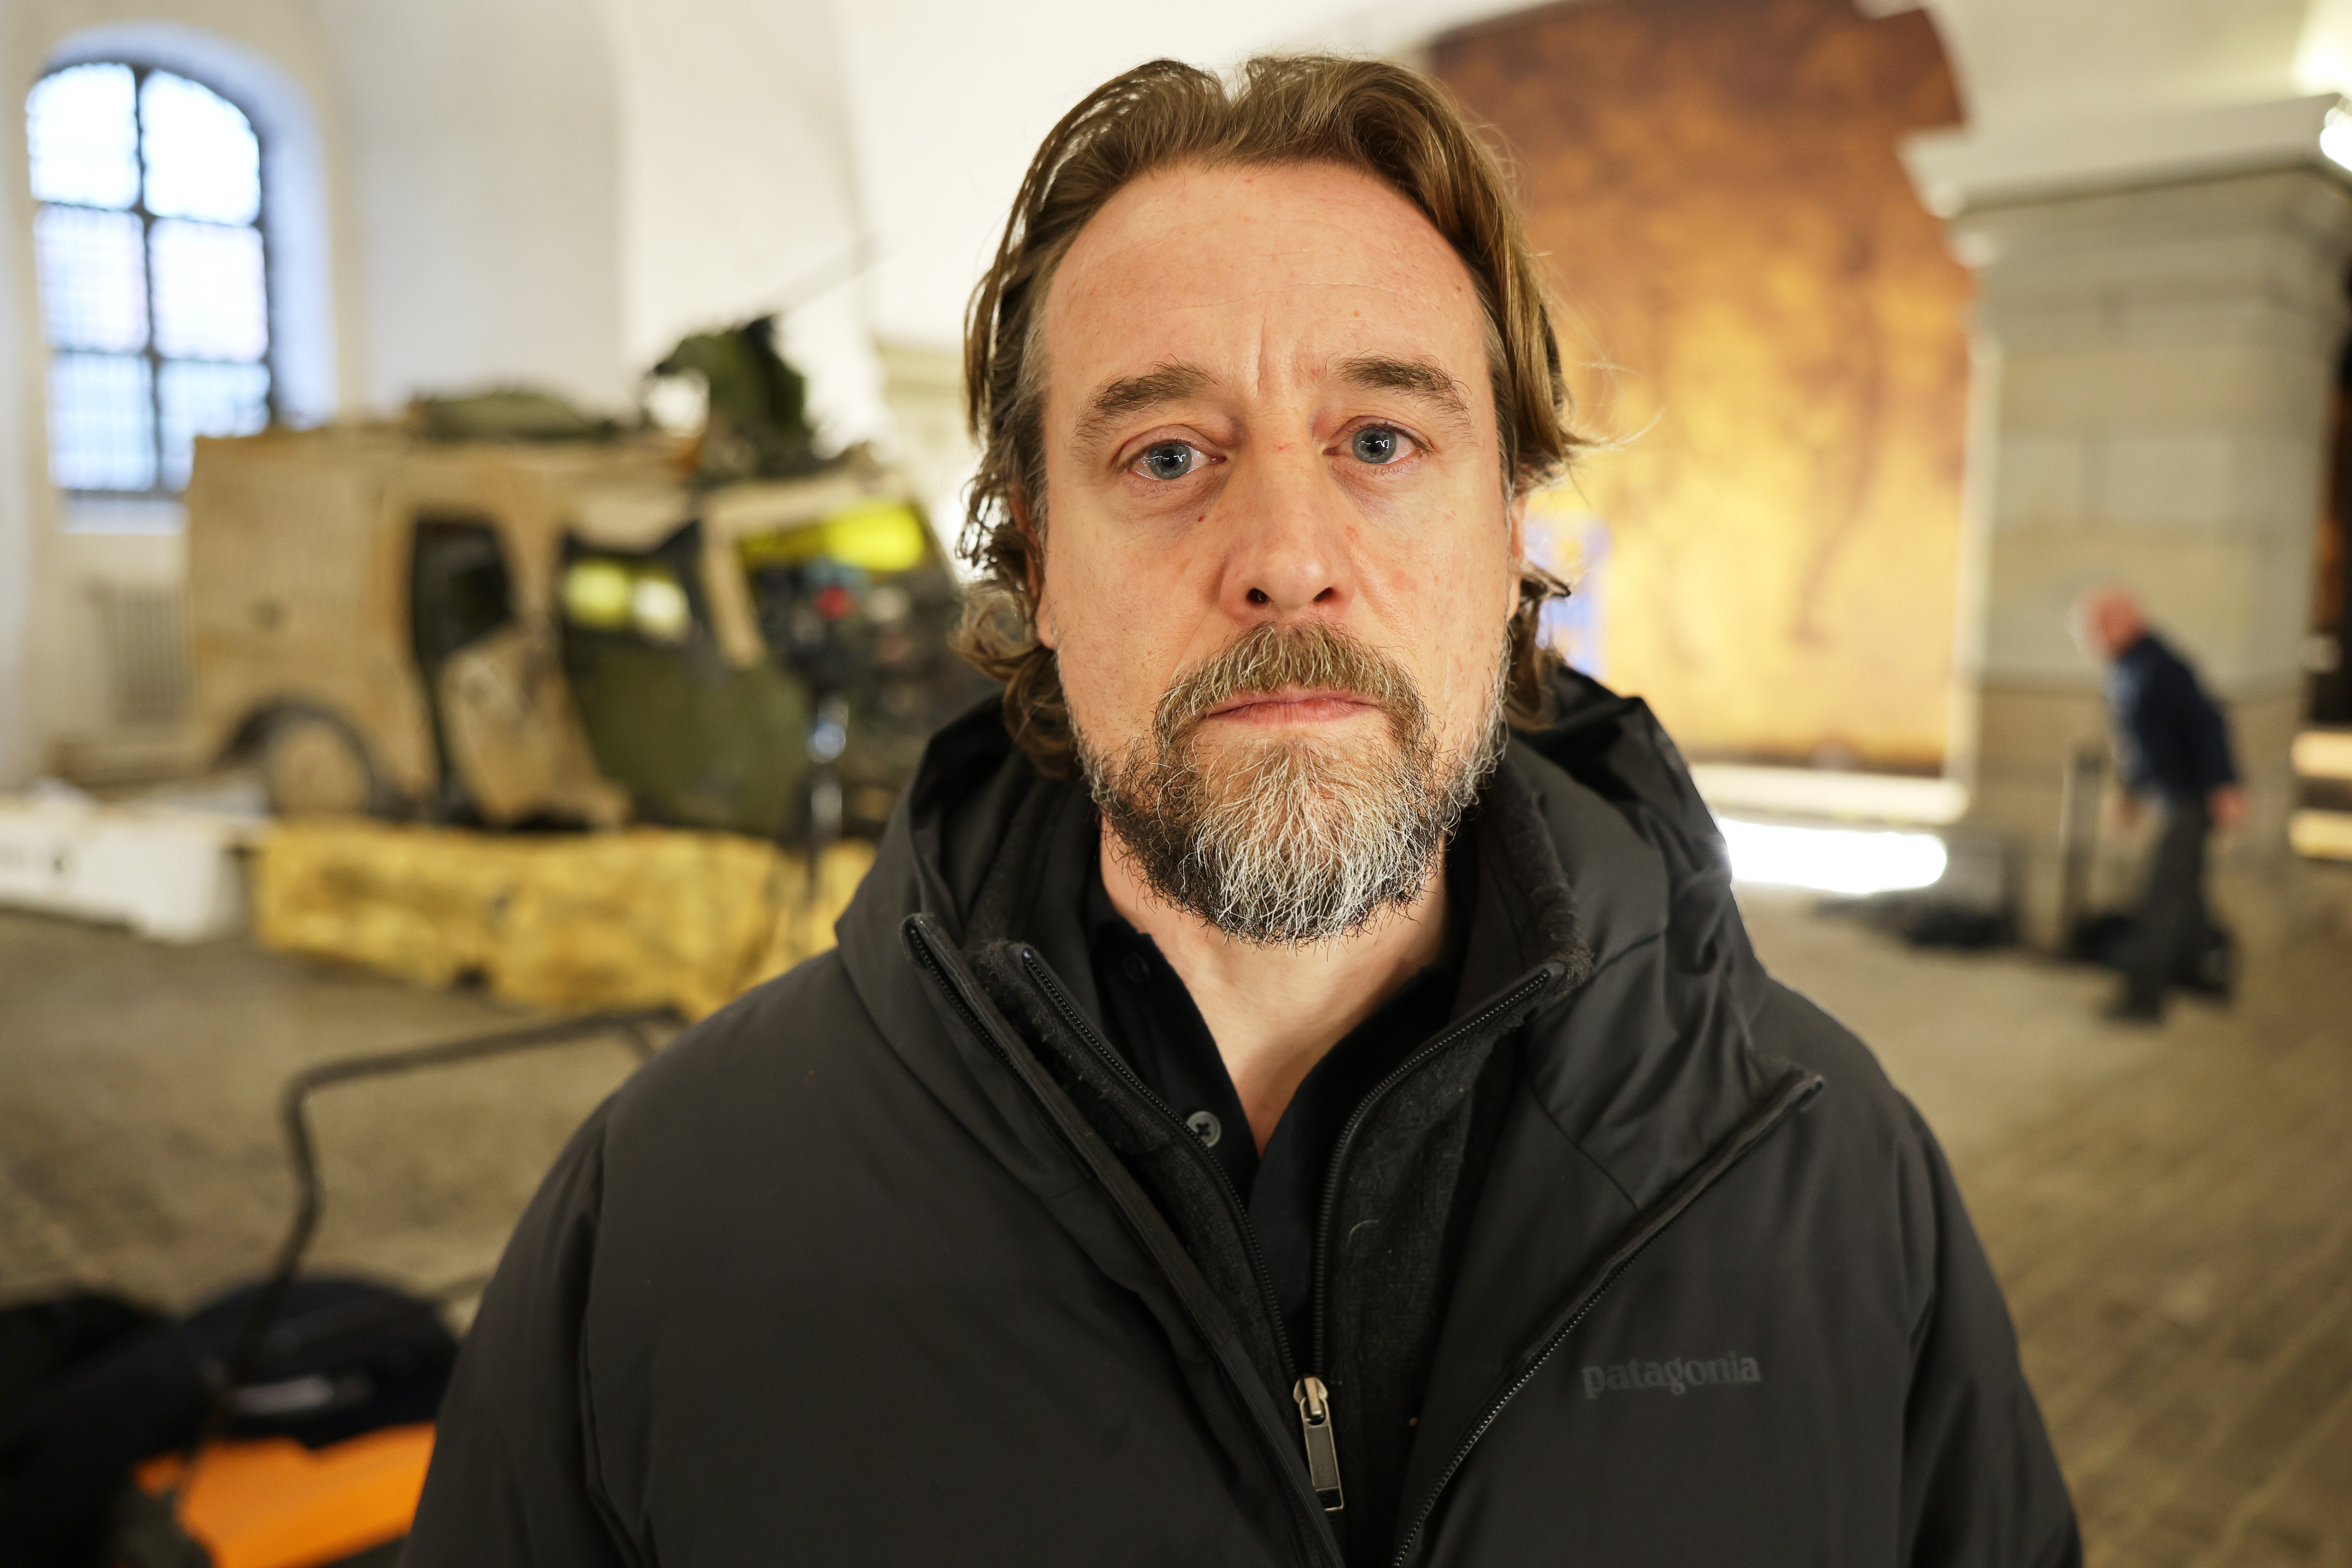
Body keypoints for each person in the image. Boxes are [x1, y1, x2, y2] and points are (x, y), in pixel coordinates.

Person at [407, 56, 2078, 1567]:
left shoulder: (1823, 1173)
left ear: (1511, 536)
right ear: (1038, 568)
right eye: (1163, 456)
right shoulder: (673, 1223)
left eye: (1378, 436)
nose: (1286, 549)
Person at [2073, 584, 2245, 1022]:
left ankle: (2143, 998)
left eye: (2100, 624)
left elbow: (2207, 724)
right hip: (2169, 792)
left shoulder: (2162, 666)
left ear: (2127, 620)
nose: (2093, 635)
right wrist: (2132, 792)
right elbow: (2142, 743)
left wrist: (2223, 784)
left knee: (2161, 897)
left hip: (2187, 797)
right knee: (2186, 894)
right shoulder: (2129, 668)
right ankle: (2204, 974)